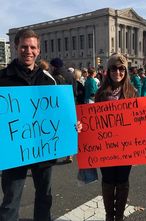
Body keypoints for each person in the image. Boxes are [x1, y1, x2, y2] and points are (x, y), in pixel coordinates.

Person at [0, 29, 57, 221]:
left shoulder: (49, 80)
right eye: (24, 46)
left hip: (43, 148)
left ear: (39, 50)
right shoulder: (2, 78)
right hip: (15, 149)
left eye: (33, 47)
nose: (28, 51)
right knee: (10, 200)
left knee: (44, 197)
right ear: (16, 47)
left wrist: (73, 126)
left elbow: (59, 114)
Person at [95, 53, 138, 221]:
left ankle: (118, 216)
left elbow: (138, 119)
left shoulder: (132, 92)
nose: (117, 72)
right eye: (114, 68)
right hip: (105, 146)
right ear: (108, 71)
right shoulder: (100, 94)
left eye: (121, 69)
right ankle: (109, 215)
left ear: (126, 71)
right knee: (107, 180)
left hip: (125, 146)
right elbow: (93, 121)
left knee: (122, 180)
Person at [50, 58, 77, 163]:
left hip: (57, 107)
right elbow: (74, 91)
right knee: (69, 129)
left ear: (54, 66)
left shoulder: (53, 77)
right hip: (70, 105)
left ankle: (54, 153)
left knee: (56, 129)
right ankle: (69, 154)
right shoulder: (71, 76)